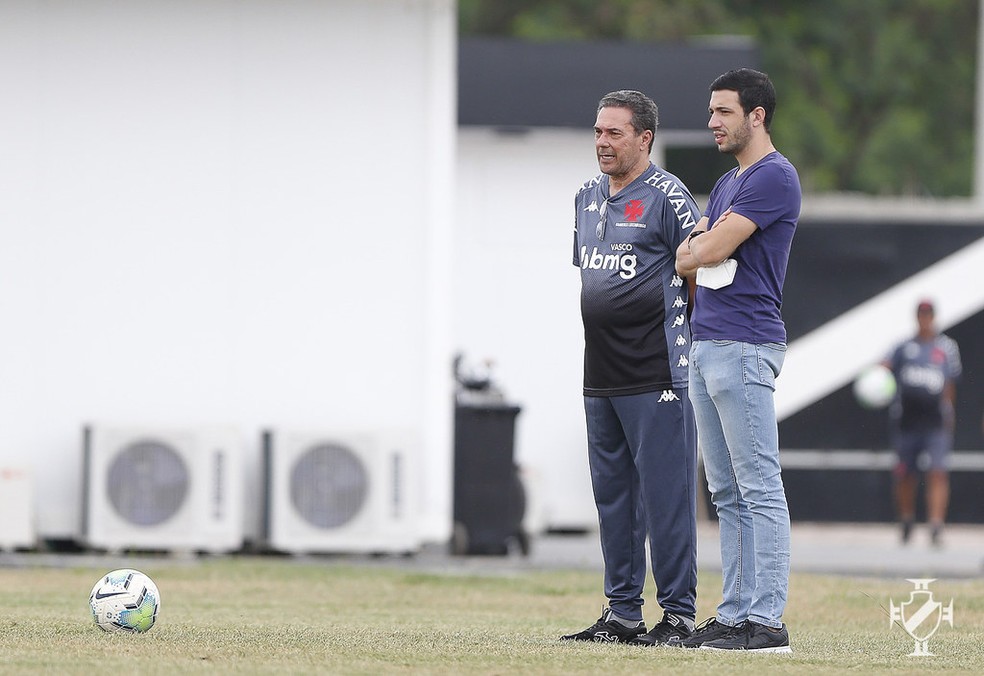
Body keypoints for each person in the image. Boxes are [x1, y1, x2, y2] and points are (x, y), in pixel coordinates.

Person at [561, 90, 701, 646]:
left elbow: (697, 273)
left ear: (644, 138)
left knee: (666, 497)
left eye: (614, 133)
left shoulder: (669, 196)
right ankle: (621, 614)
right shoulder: (584, 197)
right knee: (613, 496)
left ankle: (678, 615)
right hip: (601, 374)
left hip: (657, 372)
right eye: (598, 131)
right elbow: (591, 277)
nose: (602, 141)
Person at [674, 68, 800, 653]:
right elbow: (687, 258)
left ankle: (767, 620)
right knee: (725, 493)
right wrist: (700, 243)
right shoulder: (730, 184)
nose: (712, 122)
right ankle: (733, 615)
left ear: (757, 115)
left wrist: (703, 242)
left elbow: (710, 249)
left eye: (724, 111)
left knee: (759, 487)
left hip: (746, 344)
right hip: (707, 342)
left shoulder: (774, 178)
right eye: (711, 110)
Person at [883, 299, 961, 547]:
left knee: (937, 472)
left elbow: (950, 384)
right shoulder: (903, 347)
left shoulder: (946, 348)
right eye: (921, 315)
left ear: (934, 317)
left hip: (935, 422)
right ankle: (906, 519)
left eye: (928, 315)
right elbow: (885, 367)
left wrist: (950, 414)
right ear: (916, 317)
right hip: (907, 420)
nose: (925, 319)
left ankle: (936, 525)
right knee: (905, 473)